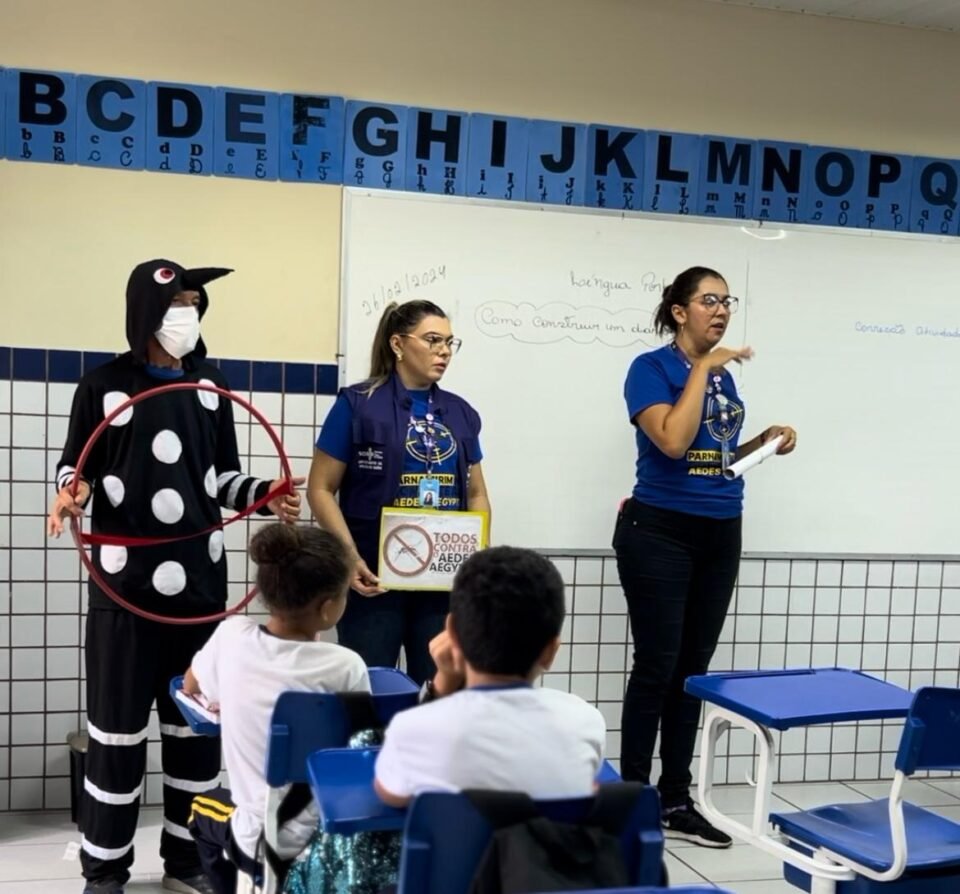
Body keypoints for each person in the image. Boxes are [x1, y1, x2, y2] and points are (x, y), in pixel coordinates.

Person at [46, 259, 303, 894]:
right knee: (115, 736)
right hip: (123, 592)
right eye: (176, 302)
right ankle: (105, 871)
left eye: (194, 302)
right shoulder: (102, 385)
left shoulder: (211, 384)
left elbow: (221, 478)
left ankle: (187, 862)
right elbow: (75, 467)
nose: (187, 313)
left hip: (199, 591)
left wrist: (266, 495)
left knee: (194, 736)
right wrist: (72, 493)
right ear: (145, 310)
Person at [614, 266, 796, 848]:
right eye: (709, 301)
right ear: (679, 311)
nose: (721, 311)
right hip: (658, 531)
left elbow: (715, 456)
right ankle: (634, 797)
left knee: (691, 671)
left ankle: (676, 798)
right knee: (657, 665)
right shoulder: (650, 369)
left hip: (720, 530)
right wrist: (702, 369)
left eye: (726, 301)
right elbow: (671, 441)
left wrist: (762, 441)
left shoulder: (722, 379)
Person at [308, 300, 491, 684]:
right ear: (397, 344)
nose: (444, 351)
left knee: (438, 689)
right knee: (370, 688)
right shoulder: (357, 404)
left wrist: (476, 557)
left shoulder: (461, 413)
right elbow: (320, 488)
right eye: (433, 340)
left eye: (450, 342)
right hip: (373, 576)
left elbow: (476, 493)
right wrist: (349, 558)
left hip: (440, 580)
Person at [183, 523, 370, 894]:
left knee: (202, 810)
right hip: (329, 840)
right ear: (328, 607)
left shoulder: (232, 637)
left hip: (257, 840)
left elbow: (191, 685)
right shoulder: (346, 666)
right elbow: (359, 749)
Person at [374, 546, 605, 806]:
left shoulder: (412, 729)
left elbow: (392, 796)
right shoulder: (584, 720)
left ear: (451, 633)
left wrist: (443, 682)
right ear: (551, 652)